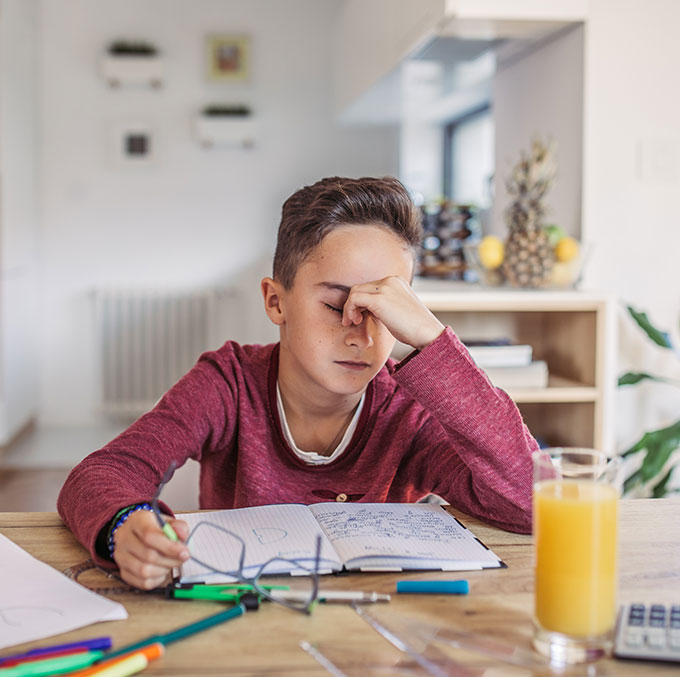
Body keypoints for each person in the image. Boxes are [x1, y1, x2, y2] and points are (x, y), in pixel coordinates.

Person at [58, 176, 537, 591]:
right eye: (336, 306)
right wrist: (125, 526)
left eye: (387, 313)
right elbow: (102, 473)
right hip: (247, 620)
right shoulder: (228, 384)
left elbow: (534, 504)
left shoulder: (409, 409)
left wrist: (434, 343)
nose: (363, 336)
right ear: (276, 302)